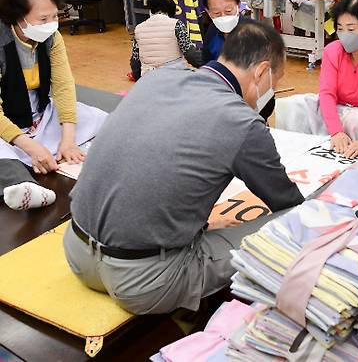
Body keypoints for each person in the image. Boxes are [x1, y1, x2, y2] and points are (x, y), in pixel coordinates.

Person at [64, 20, 304, 315]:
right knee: (292, 223)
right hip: (144, 283)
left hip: (76, 252)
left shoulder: (158, 78)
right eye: (274, 83)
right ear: (262, 72)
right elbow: (288, 202)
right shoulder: (242, 122)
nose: (271, 91)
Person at [0, 0, 107, 211]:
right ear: (18, 17)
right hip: (5, 123)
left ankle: (55, 150)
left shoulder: (51, 38)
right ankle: (23, 185)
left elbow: (63, 86)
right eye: (43, 19)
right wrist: (30, 147)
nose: (51, 24)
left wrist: (67, 141)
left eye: (55, 16)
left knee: (96, 117)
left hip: (38, 113)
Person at [276, 0, 358, 159]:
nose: (344, 35)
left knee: (355, 122)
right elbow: (327, 94)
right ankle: (297, 155)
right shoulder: (332, 51)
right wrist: (336, 131)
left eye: (351, 29)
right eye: (340, 28)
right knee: (290, 106)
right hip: (340, 108)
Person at [201, 0, 276, 119]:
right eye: (216, 13)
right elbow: (207, 66)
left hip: (252, 104)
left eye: (228, 11)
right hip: (221, 102)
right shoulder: (211, 32)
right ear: (207, 11)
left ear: (238, 4)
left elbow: (265, 80)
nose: (223, 17)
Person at [130, 0, 203, 81]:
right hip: (173, 76)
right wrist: (206, 66)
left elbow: (135, 62)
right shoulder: (177, 24)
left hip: (148, 78)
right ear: (171, 10)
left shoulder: (139, 28)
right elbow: (190, 54)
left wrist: (139, 80)